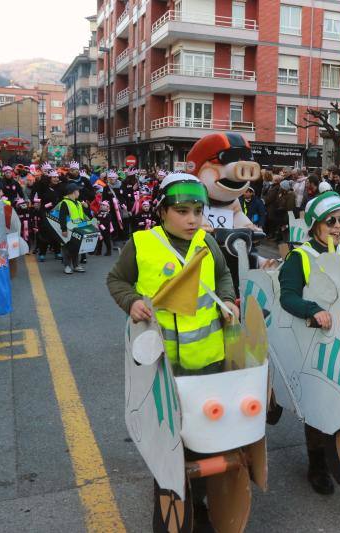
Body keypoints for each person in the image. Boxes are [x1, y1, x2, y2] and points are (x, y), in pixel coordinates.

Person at [106, 173, 238, 528]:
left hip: (207, 363)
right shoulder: (141, 244)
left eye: (197, 210)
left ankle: (202, 504)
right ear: (162, 211)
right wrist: (131, 301)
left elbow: (224, 277)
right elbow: (116, 280)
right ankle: (168, 499)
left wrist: (227, 301)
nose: (192, 219)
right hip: (160, 365)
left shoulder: (207, 244)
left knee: (204, 437)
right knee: (166, 437)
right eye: (182, 211)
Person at [278, 191, 340, 496]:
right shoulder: (300, 257)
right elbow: (287, 296)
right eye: (331, 220)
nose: (338, 226)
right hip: (316, 339)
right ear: (316, 224)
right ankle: (318, 466)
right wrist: (313, 310)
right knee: (320, 401)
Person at [57, 183, 89, 275]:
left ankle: (76, 265)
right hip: (68, 229)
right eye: (78, 191)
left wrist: (86, 207)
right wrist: (63, 229)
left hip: (77, 229)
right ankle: (67, 266)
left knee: (76, 247)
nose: (79, 192)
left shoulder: (78, 202)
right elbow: (62, 217)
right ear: (73, 192)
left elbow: (82, 215)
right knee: (66, 247)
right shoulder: (64, 203)